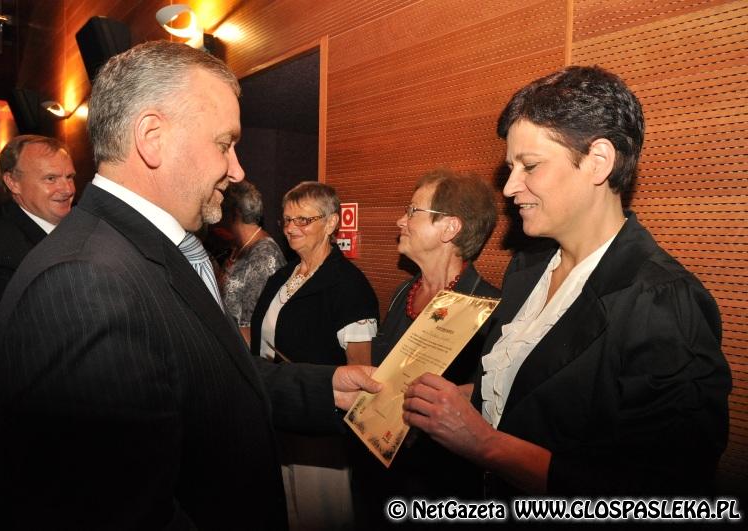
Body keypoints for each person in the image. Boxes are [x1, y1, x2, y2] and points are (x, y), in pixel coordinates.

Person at [0, 40, 379, 530]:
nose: (237, 170)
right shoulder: (83, 283)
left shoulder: (152, 248)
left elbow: (211, 376)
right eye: (224, 144)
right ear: (152, 137)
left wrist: (324, 388)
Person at [403, 66, 731, 497]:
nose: (510, 188)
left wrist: (485, 444)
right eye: (511, 167)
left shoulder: (663, 301)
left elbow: (663, 493)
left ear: (598, 162)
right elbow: (535, 394)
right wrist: (463, 400)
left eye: (530, 166)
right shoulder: (527, 268)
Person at [353, 169, 500, 528]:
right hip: (379, 473)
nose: (400, 220)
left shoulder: (488, 309)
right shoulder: (404, 293)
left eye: (413, 211)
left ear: (450, 228)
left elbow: (492, 405)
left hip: (439, 490)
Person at [251, 181, 379, 530]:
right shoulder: (282, 277)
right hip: (281, 414)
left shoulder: (348, 286)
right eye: (287, 220)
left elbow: (360, 371)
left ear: (332, 222)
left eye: (304, 220)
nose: (291, 228)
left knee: (318, 514)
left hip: (321, 432)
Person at [0, 135, 76, 329]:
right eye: (51, 178)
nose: (67, 189)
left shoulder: (85, 226)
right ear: (13, 182)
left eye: (69, 177)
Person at [218, 180, 286, 344]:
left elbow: (255, 328)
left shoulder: (264, 255)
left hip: (246, 352)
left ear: (234, 213)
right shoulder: (239, 247)